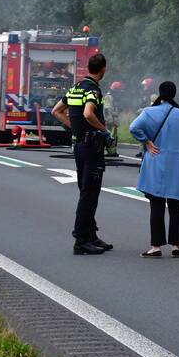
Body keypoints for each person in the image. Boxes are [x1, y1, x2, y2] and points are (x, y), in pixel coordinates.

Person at [52, 53, 113, 255]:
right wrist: (104, 130)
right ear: (103, 69)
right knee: (90, 193)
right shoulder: (93, 90)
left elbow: (56, 111)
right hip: (92, 146)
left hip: (79, 145)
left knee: (86, 190)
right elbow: (88, 113)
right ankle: (80, 240)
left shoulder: (76, 88)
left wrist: (75, 129)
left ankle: (91, 235)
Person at [130, 81, 179, 258]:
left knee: (157, 205)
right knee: (176, 205)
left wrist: (146, 141)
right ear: (174, 94)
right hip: (178, 164)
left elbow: (133, 127)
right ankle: (176, 246)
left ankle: (156, 247)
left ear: (159, 93)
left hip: (156, 161)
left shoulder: (149, 112)